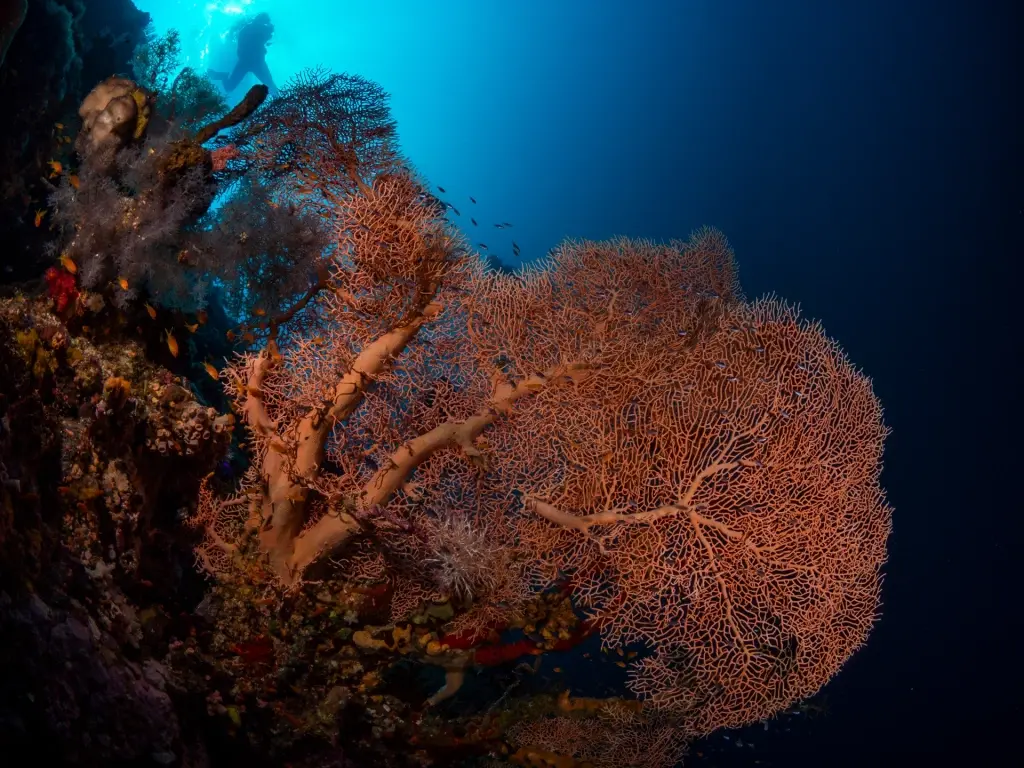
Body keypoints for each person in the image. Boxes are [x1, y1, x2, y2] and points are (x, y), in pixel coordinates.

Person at [208, 13, 279, 96]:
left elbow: (240, 48)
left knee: (229, 87)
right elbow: (269, 34)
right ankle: (279, 103)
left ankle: (223, 76)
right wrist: (270, 26)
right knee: (271, 87)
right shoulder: (263, 29)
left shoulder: (245, 29)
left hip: (245, 62)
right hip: (257, 62)